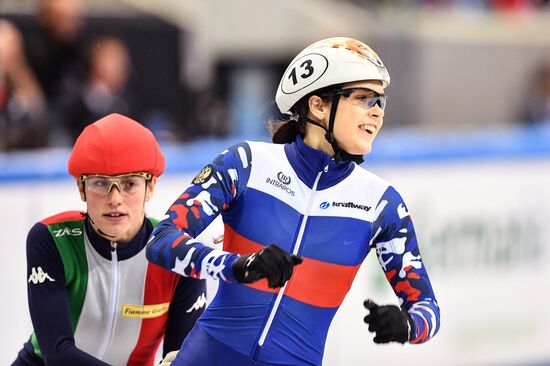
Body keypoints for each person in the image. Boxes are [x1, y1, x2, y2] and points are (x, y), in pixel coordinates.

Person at [146, 37, 440, 366]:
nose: (377, 113)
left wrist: (407, 325)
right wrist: (235, 265)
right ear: (317, 105)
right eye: (363, 98)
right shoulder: (245, 163)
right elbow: (162, 241)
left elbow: (426, 308)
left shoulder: (382, 205)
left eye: (380, 102)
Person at [12, 113, 206, 365]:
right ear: (81, 188)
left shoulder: (179, 253)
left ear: (151, 186)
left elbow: (181, 358)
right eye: (101, 183)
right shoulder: (51, 239)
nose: (115, 199)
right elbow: (57, 353)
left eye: (129, 183)